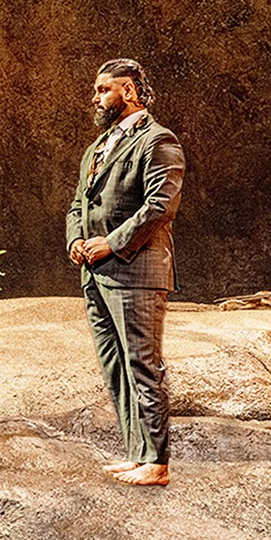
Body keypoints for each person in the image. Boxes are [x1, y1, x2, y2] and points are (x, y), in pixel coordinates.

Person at [66, 58, 184, 487]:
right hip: (95, 273)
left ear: (128, 91)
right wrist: (76, 240)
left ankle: (157, 459)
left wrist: (111, 242)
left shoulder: (158, 141)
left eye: (103, 90)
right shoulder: (97, 148)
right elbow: (79, 203)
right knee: (115, 366)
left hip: (136, 270)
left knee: (143, 365)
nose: (95, 98)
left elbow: (159, 207)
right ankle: (137, 452)